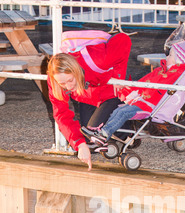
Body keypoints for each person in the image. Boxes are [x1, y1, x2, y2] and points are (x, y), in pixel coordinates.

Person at [80, 40, 185, 147]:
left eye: (171, 55)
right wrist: (133, 87)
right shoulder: (167, 71)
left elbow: (158, 90)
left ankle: (103, 135)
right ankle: (102, 133)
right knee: (118, 111)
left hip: (150, 106)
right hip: (144, 101)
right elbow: (147, 82)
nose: (167, 57)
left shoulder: (176, 74)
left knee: (122, 112)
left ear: (180, 59)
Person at [47, 32, 132, 170]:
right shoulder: (55, 79)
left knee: (93, 132)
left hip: (111, 90)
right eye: (63, 83)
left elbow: (123, 39)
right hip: (87, 94)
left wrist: (118, 76)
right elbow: (61, 114)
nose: (68, 87)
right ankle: (111, 135)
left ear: (76, 70)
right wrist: (79, 144)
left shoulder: (98, 59)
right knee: (87, 138)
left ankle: (130, 131)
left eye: (70, 80)